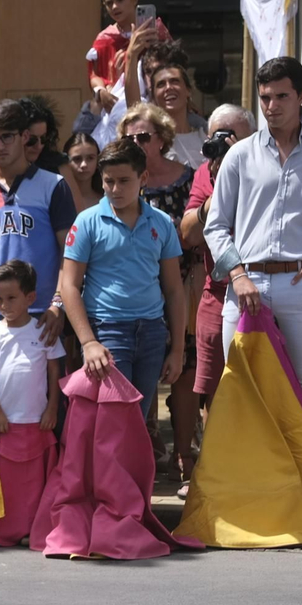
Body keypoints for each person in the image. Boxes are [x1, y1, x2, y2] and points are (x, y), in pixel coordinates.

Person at [205, 56, 302, 425]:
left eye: (281, 96)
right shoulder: (239, 155)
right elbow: (215, 226)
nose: (272, 106)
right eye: (265, 97)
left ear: (301, 96)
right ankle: (242, 482)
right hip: (245, 284)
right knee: (238, 385)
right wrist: (237, 276)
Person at [58, 139, 186, 420]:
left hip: (152, 332)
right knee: (115, 421)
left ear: (143, 178)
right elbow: (69, 286)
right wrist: (88, 342)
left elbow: (174, 290)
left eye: (124, 181)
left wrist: (177, 349)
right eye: (108, 181)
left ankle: (134, 466)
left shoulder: (162, 222)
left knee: (137, 420)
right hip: (107, 331)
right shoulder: (87, 221)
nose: (115, 189)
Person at [0, 99, 77, 364]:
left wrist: (58, 305)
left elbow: (69, 252)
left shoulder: (54, 186)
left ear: (24, 136)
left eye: (7, 137)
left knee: (47, 401)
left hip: (41, 310)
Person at [120, 102, 197, 478]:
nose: (136, 142)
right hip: (138, 291)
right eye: (129, 137)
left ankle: (185, 453)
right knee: (138, 376)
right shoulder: (121, 181)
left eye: (144, 136)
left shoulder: (189, 177)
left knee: (181, 373)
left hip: (182, 285)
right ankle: (147, 451)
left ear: (162, 138)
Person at [0, 260, 64, 547]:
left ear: (30, 297)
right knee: (0, 480)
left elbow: (54, 370)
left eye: (11, 298)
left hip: (36, 420)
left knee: (33, 482)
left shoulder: (42, 331)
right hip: (0, 423)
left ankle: (31, 528)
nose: (4, 305)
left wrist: (51, 408)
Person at [182, 105, 255, 411]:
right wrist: (217, 190)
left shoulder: (271, 165)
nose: (224, 143)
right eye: (217, 137)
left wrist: (245, 167)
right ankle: (217, 458)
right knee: (217, 393)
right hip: (218, 294)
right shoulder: (205, 173)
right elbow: (188, 235)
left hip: (262, 288)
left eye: (232, 137)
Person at [63, 133, 104, 213]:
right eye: (77, 159)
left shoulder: (107, 201)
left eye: (90, 158)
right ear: (66, 162)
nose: (84, 165)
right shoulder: (58, 199)